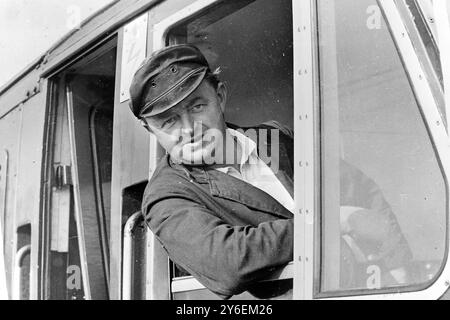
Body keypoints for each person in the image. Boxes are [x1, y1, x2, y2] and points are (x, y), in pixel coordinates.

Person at [128, 44, 412, 299]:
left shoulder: (274, 139)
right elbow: (226, 262)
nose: (189, 129)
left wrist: (399, 267)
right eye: (169, 122)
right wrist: (328, 223)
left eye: (198, 106)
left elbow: (360, 189)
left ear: (221, 97)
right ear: (150, 130)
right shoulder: (166, 195)